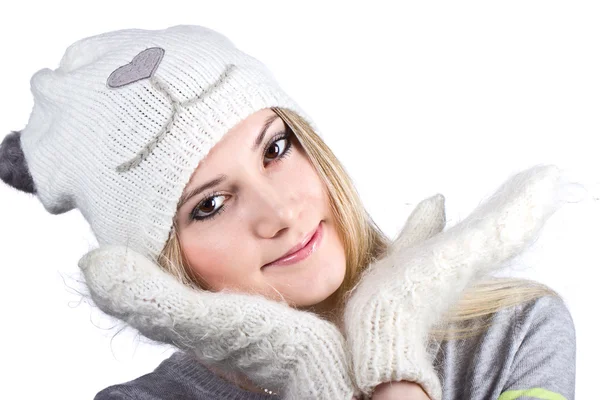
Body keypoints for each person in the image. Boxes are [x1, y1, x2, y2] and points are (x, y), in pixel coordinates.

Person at [0, 25, 579, 400]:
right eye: (211, 204)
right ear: (157, 265)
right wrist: (311, 369)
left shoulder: (513, 331)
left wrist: (390, 346)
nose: (278, 211)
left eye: (275, 149)